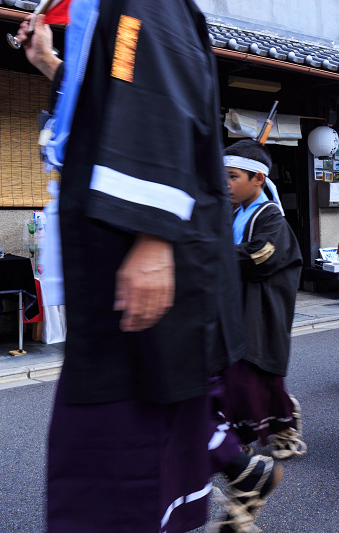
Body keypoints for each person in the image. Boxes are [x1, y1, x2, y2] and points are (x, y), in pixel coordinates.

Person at [15, 3, 280, 532]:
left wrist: (153, 237)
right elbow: (113, 94)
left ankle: (229, 468)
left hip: (141, 250)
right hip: (118, 254)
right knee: (156, 404)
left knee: (124, 437)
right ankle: (238, 465)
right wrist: (50, 64)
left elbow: (155, 93)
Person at [223, 140, 307, 458]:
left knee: (251, 374)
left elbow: (261, 255)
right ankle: (264, 429)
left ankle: (270, 429)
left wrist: (212, 254)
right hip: (234, 304)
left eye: (233, 176)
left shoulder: (270, 216)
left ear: (258, 179)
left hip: (260, 307)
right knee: (234, 374)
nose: (226, 183)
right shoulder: (233, 213)